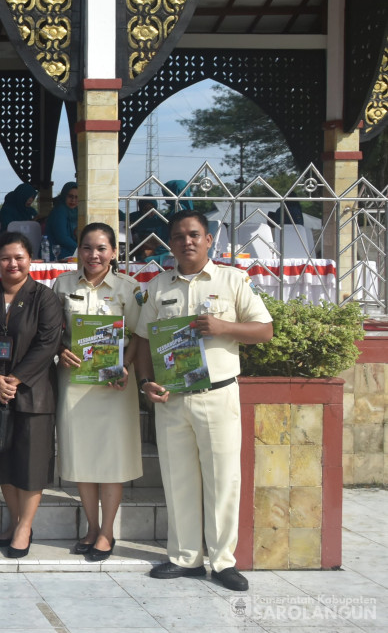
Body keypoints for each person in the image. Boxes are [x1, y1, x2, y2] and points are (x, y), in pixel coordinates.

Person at [132, 209, 273, 592]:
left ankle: (223, 561)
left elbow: (265, 330)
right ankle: (184, 558)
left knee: (222, 480)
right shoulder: (159, 286)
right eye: (178, 236)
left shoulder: (233, 279)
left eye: (194, 234)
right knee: (178, 479)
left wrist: (225, 327)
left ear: (209, 239)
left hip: (217, 394)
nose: (186, 241)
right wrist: (145, 381)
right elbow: (143, 340)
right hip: (173, 397)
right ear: (171, 244)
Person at [51, 222, 142, 563]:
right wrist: (61, 350)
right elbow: (53, 332)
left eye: (102, 248)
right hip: (75, 384)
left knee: (111, 459)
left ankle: (108, 531)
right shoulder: (62, 285)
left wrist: (127, 366)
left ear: (114, 252)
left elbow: (139, 335)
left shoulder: (128, 289)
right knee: (83, 457)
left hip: (113, 387)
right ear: (79, 250)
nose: (94, 255)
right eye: (87, 247)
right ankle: (91, 528)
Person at [0, 231, 61, 558]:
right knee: (3, 463)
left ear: (31, 260)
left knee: (31, 464)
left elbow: (47, 344)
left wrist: (16, 379)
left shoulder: (44, 298)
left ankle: (25, 527)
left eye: (19, 257)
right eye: (6, 258)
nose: (13, 263)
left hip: (33, 393)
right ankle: (13, 522)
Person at [45, 181, 79, 258]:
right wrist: (79, 248)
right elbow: (62, 238)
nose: (73, 200)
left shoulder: (76, 211)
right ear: (64, 195)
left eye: (76, 197)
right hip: (56, 251)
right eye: (70, 196)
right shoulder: (60, 211)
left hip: (69, 249)